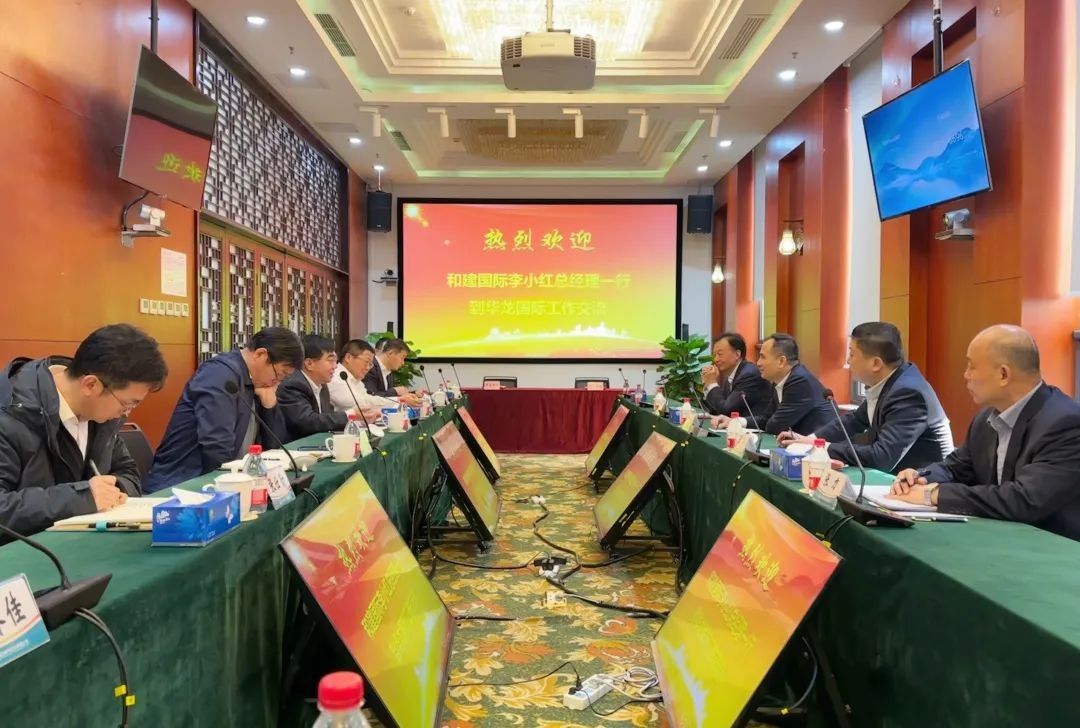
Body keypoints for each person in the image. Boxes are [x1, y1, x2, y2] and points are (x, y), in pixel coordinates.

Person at [890, 325, 1080, 540]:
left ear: (1003, 374)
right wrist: (920, 478)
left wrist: (934, 494)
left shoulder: (1066, 423)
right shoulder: (985, 419)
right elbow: (957, 467)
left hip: (1056, 547)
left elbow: (1025, 500)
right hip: (1004, 538)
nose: (966, 375)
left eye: (972, 366)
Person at [0, 324, 168, 538]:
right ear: (90, 385)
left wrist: (113, 489)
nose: (126, 413)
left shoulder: (100, 415)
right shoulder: (10, 416)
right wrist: (81, 498)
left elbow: (127, 472)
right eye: (127, 404)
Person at [779, 322, 954, 473]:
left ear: (876, 363)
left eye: (852, 354)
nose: (848, 361)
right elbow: (854, 421)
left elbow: (882, 457)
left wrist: (821, 446)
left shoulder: (908, 393)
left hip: (924, 486)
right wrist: (809, 439)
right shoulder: (891, 382)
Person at [144, 327, 303, 492]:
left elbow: (274, 449)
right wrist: (233, 486)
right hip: (181, 486)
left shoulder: (255, 381)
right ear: (260, 355)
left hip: (221, 480)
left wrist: (270, 406)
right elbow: (217, 445)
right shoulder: (219, 374)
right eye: (280, 374)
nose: (277, 382)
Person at [715, 333, 831, 435]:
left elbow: (775, 426)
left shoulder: (800, 381)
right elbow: (766, 418)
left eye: (762, 357)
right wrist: (735, 421)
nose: (758, 363)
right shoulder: (779, 381)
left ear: (781, 361)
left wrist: (768, 422)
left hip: (822, 447)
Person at [278, 335, 355, 440]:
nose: (335, 366)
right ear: (309, 364)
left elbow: (326, 417)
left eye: (335, 361)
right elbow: (307, 422)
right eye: (330, 360)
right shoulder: (293, 385)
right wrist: (350, 415)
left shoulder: (322, 385)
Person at [701, 332, 772, 420]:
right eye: (714, 355)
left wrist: (712, 383)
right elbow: (716, 409)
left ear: (737, 354)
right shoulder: (731, 376)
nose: (716, 359)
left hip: (754, 426)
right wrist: (707, 384)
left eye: (720, 354)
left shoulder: (749, 375)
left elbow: (727, 410)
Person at [327, 339, 394, 418]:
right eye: (366, 362)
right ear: (348, 358)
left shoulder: (356, 380)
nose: (368, 368)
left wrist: (397, 401)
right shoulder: (336, 376)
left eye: (370, 364)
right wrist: (394, 403)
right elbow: (360, 404)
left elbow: (368, 398)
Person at [363, 338, 420, 405]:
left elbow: (387, 395)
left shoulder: (389, 371)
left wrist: (413, 394)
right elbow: (370, 396)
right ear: (390, 353)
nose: (403, 363)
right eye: (402, 358)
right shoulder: (370, 367)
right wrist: (394, 391)